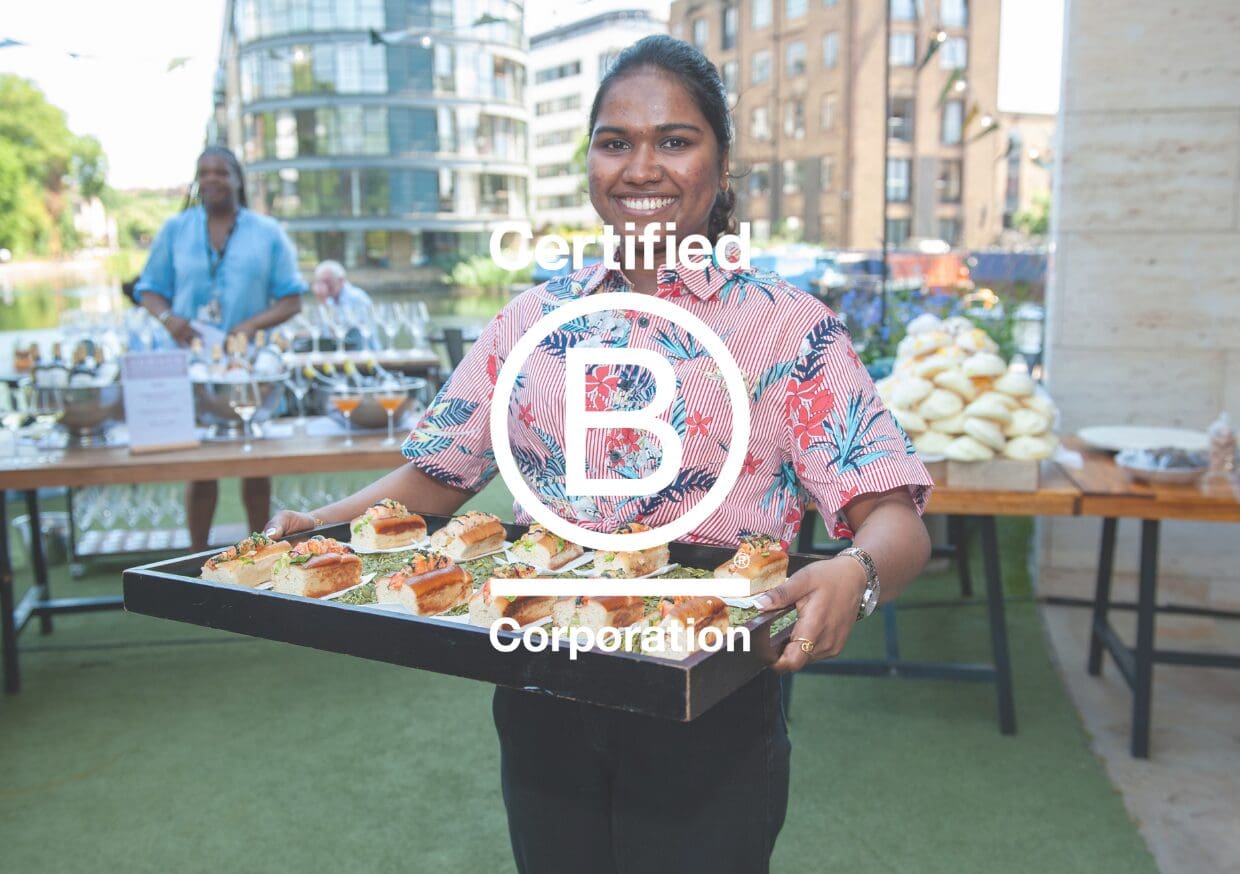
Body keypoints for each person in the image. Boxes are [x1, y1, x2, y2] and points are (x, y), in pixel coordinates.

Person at [265, 35, 931, 873]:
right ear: (590, 165)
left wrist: (856, 575)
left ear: (722, 171)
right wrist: (310, 529)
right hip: (539, 685)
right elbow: (433, 481)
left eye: (674, 141)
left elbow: (894, 521)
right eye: (615, 142)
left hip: (711, 700)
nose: (640, 167)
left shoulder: (791, 330)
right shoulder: (527, 323)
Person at [137, 145, 306, 551]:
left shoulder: (267, 233)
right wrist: (169, 319)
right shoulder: (175, 230)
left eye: (221, 172)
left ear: (237, 179)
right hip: (192, 367)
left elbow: (292, 298)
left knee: (255, 466)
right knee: (199, 467)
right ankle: (195, 559)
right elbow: (149, 290)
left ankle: (262, 551)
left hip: (245, 366)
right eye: (204, 172)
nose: (212, 179)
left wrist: (249, 326)